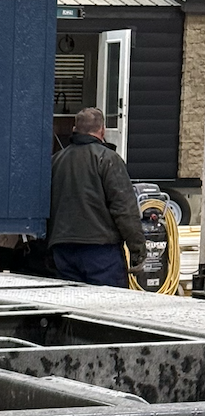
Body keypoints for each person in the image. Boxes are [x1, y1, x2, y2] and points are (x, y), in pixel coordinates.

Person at [48, 106, 145, 288]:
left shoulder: (56, 161)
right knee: (106, 308)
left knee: (71, 307)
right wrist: (137, 248)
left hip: (62, 248)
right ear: (102, 130)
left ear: (74, 129)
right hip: (100, 250)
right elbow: (124, 208)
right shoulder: (108, 159)